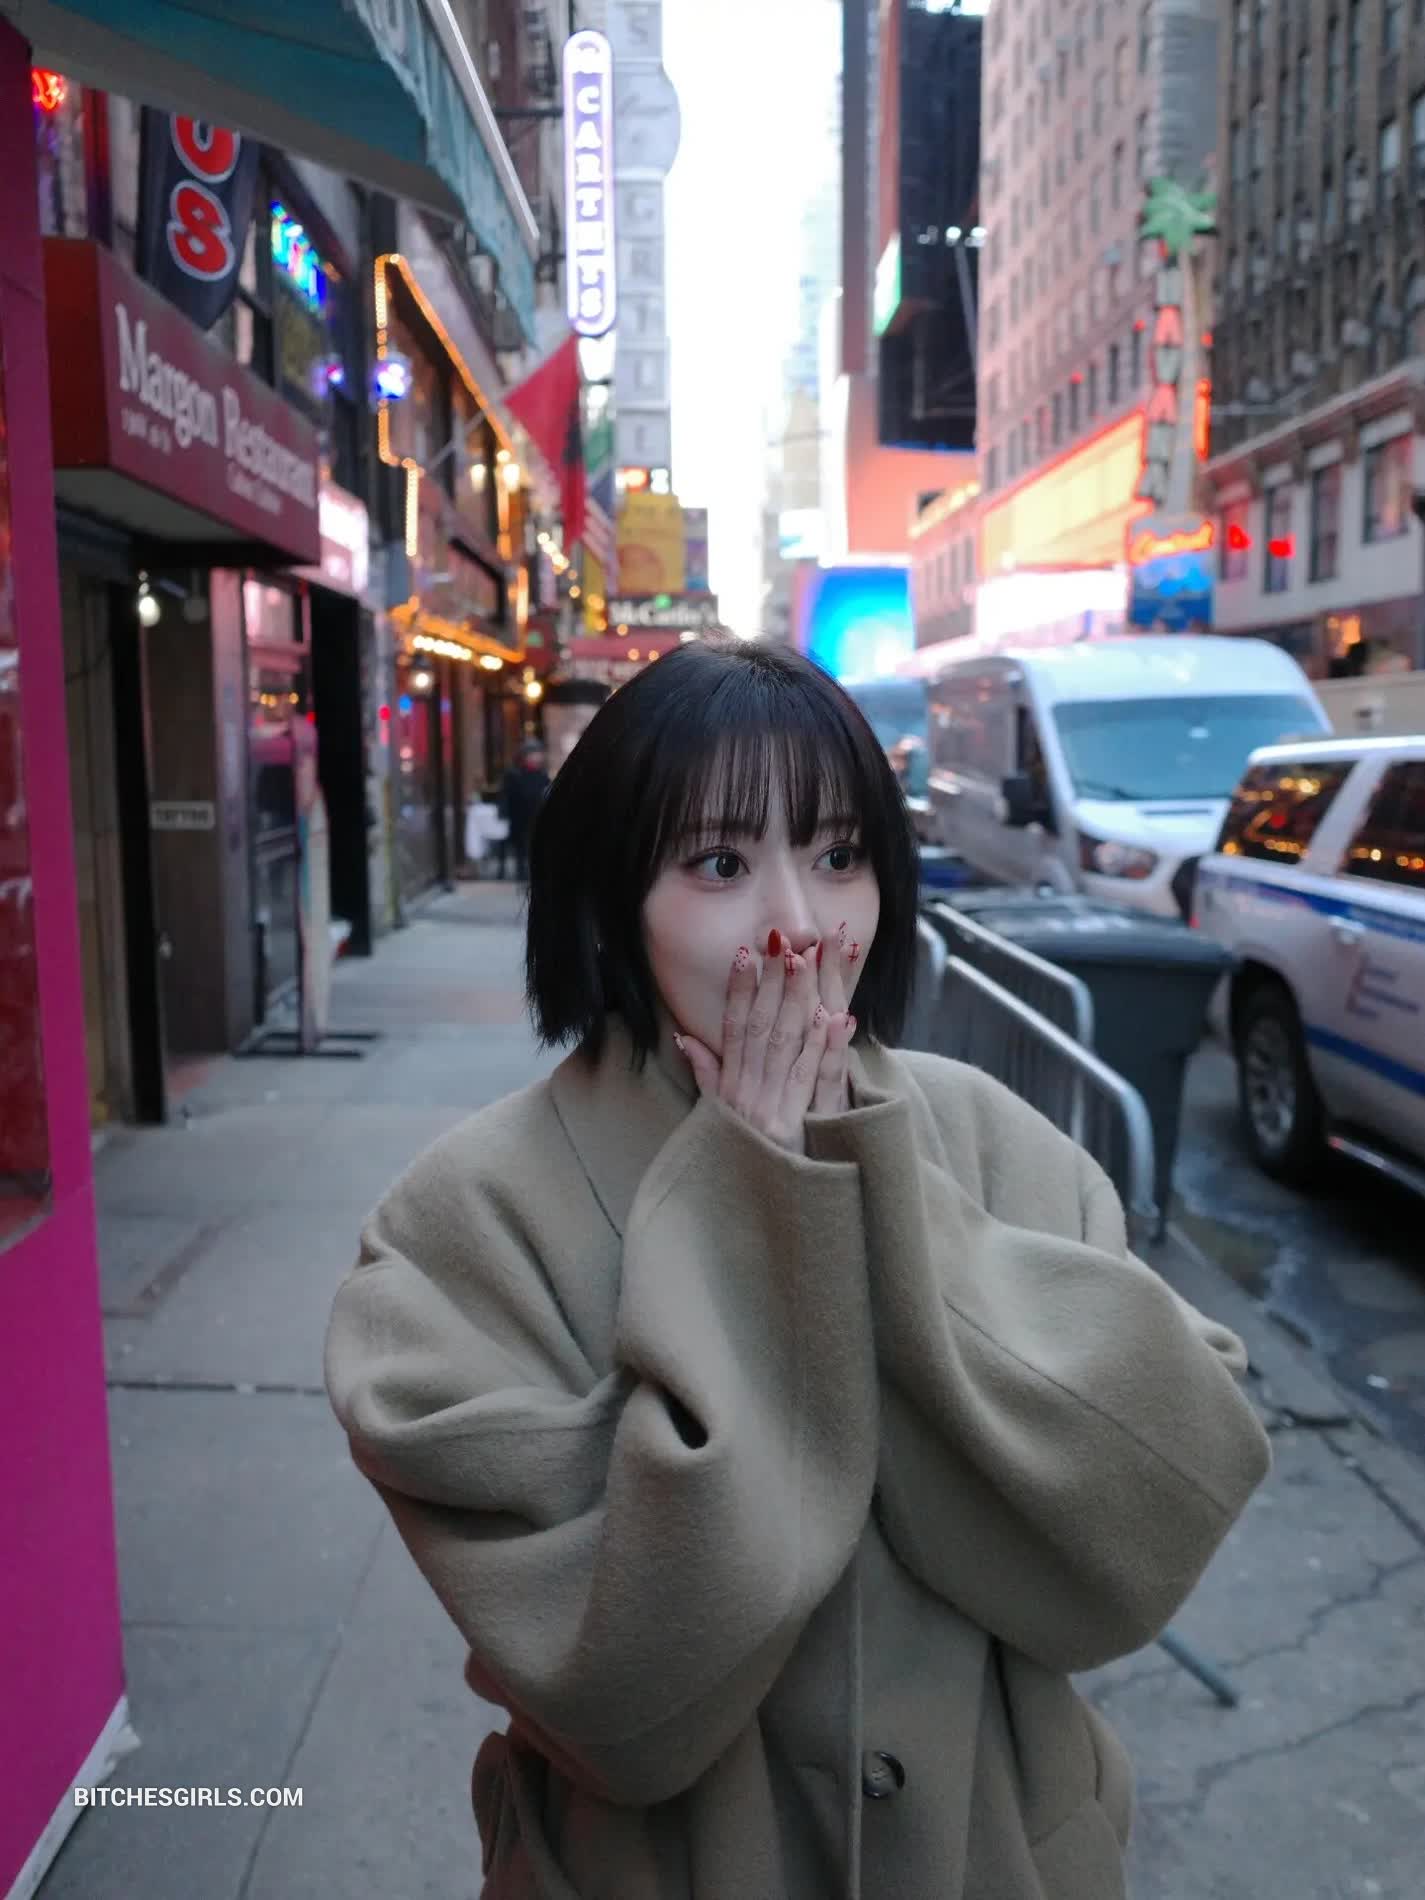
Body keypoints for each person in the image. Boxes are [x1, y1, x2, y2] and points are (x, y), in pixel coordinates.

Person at [324, 636, 1271, 1900]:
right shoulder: (467, 1225)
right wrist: (758, 1218)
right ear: (611, 895)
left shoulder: (991, 1137)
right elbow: (616, 1692)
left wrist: (882, 1188)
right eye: (720, 864)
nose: (800, 924)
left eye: (839, 856)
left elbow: (1145, 1518)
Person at [496, 739, 550, 882]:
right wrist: (504, 813)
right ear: (526, 756)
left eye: (539, 753)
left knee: (534, 844)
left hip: (536, 814)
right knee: (520, 845)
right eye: (535, 754)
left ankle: (533, 870)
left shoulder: (541, 773)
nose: (538, 757)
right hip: (518, 815)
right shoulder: (514, 773)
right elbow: (505, 795)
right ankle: (521, 871)